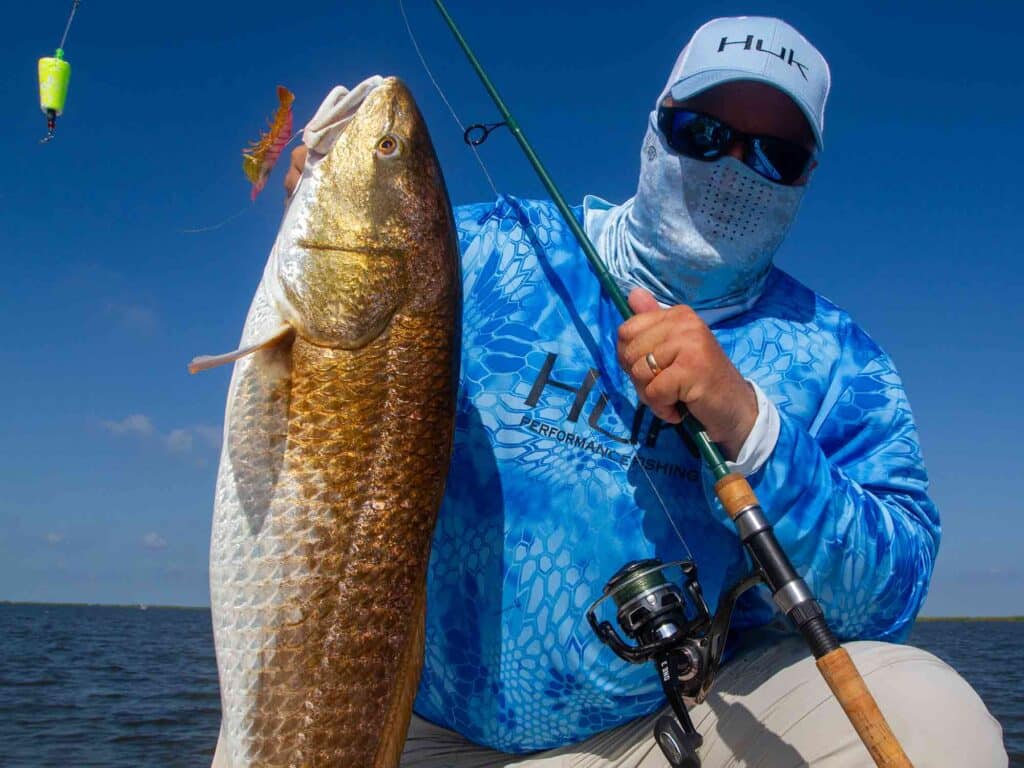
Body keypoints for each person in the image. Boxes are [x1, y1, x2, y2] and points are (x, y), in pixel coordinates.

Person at [285, 16, 1007, 767]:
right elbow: (325, 378)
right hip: (397, 714)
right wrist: (324, 219)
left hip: (671, 729)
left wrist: (750, 422)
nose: (734, 167)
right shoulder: (481, 250)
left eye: (775, 153)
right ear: (656, 128)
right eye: (703, 130)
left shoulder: (841, 362)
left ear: (805, 180)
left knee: (932, 721)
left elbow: (885, 604)